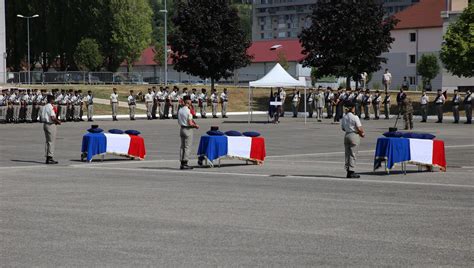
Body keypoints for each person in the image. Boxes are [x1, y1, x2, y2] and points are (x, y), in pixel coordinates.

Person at [341, 102, 365, 179]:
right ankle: (351, 172)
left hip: (347, 135)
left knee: (347, 154)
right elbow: (359, 128)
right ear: (352, 108)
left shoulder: (344, 117)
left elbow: (343, 128)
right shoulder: (355, 117)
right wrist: (362, 134)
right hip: (354, 135)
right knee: (353, 154)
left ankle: (348, 170)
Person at [178, 96, 199, 170]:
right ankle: (185, 163)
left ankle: (181, 162)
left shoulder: (180, 110)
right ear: (189, 101)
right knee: (187, 147)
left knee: (182, 147)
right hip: (188, 129)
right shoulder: (188, 111)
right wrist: (195, 126)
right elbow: (190, 123)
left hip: (182, 129)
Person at [41, 94, 61, 164]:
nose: (54, 101)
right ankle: (50, 157)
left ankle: (47, 157)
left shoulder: (45, 106)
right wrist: (58, 121)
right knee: (51, 142)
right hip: (50, 125)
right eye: (53, 99)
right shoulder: (50, 107)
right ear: (51, 100)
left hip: (45, 124)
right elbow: (52, 117)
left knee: (48, 142)